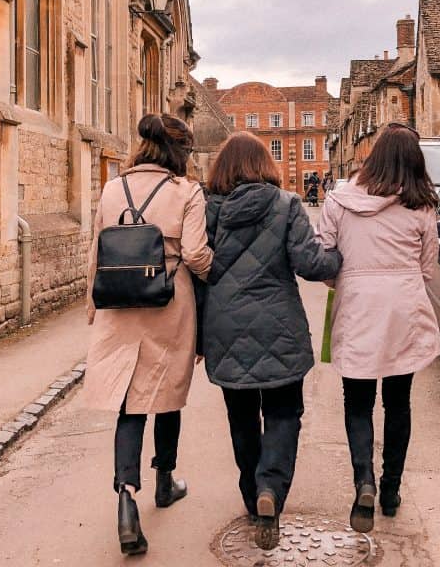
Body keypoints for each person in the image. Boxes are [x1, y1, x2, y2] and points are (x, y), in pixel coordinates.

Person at [83, 113, 214, 556]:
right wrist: (217, 275)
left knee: (129, 400)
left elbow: (96, 247)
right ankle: (164, 481)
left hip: (118, 302)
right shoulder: (186, 191)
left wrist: (91, 304)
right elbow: (196, 253)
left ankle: (125, 495)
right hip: (167, 300)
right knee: (168, 391)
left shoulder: (112, 187)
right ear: (179, 152)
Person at [202, 132, 342, 550]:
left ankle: (253, 497)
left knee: (241, 418)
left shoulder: (209, 210)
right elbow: (310, 263)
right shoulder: (285, 206)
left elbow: (196, 266)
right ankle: (271, 490)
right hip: (279, 326)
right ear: (266, 165)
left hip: (225, 330)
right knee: (283, 413)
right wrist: (342, 256)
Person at [317, 122, 440, 534]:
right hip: (403, 305)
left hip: (357, 303)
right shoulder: (421, 207)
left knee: (357, 401)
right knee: (398, 402)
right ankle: (390, 490)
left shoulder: (339, 201)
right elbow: (427, 267)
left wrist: (347, 282)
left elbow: (326, 259)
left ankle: (362, 482)